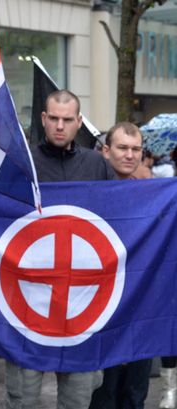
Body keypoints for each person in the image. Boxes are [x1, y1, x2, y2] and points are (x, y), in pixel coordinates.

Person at [5, 89, 114, 409]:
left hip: (83, 306)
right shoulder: (21, 163)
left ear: (79, 122)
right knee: (21, 400)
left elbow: (117, 223)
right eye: (53, 118)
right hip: (28, 304)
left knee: (78, 401)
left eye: (67, 119)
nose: (60, 125)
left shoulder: (97, 165)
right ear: (43, 118)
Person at [87, 122, 151, 409]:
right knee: (103, 392)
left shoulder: (154, 196)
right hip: (100, 310)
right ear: (105, 150)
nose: (130, 155)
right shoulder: (88, 194)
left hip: (142, 309)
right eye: (123, 147)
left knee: (135, 393)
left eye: (136, 149)